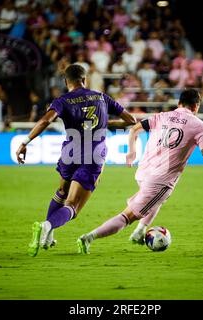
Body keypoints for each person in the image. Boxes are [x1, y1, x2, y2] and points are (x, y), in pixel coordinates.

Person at [77, 88, 203, 254]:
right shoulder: (198, 125)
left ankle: (140, 231)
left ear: (179, 103)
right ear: (196, 106)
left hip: (144, 171)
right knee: (127, 217)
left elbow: (134, 129)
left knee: (157, 201)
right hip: (160, 179)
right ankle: (89, 237)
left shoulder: (162, 116)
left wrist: (132, 151)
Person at [15, 64, 136, 257]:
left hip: (70, 153)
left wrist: (25, 141)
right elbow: (131, 121)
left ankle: (49, 233)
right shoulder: (101, 97)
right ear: (84, 79)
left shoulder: (63, 100)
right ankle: (47, 226)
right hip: (93, 155)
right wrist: (105, 123)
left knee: (61, 191)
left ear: (66, 82)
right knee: (72, 205)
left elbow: (46, 120)